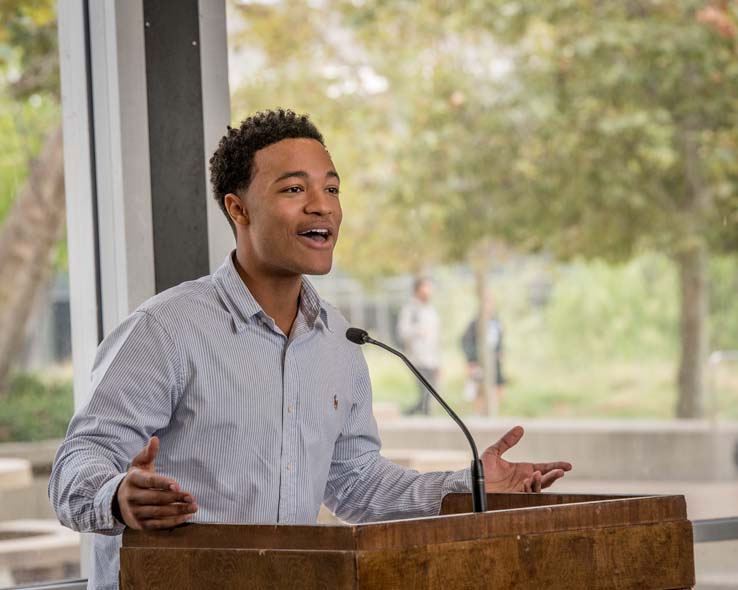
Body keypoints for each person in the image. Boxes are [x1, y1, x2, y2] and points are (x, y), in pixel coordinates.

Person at [49, 109, 571, 589]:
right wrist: (117, 497)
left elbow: (357, 485)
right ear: (238, 208)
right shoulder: (163, 330)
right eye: (294, 188)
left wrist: (472, 486)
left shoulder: (340, 343)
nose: (322, 205)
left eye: (332, 188)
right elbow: (74, 467)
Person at [396, 277, 439, 415]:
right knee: (425, 390)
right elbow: (403, 330)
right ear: (418, 290)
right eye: (426, 288)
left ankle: (413, 412)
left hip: (432, 357)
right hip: (417, 357)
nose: (429, 291)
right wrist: (418, 330)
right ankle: (420, 413)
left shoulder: (431, 310)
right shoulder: (410, 309)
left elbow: (435, 337)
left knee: (431, 391)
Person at [462, 294, 506, 414]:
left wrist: (500, 351)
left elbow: (499, 339)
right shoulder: (475, 322)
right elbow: (466, 341)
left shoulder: (495, 321)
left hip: (494, 361)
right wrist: (471, 360)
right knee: (479, 389)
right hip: (480, 361)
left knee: (499, 388)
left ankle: (491, 411)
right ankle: (478, 413)